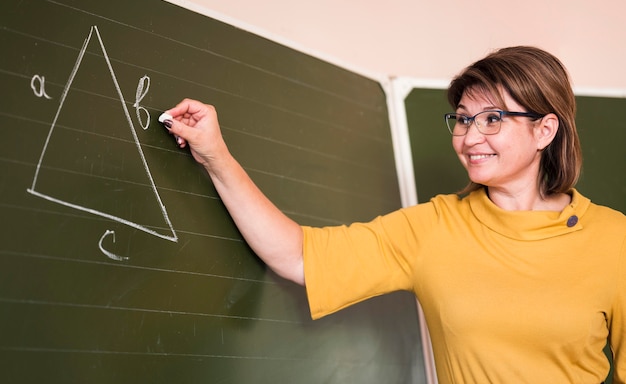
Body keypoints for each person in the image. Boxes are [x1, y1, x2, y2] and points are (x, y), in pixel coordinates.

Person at [160, 46, 625, 383]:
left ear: (545, 130)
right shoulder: (434, 227)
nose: (470, 136)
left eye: (493, 118)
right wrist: (216, 155)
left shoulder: (614, 239)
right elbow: (299, 257)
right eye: (463, 118)